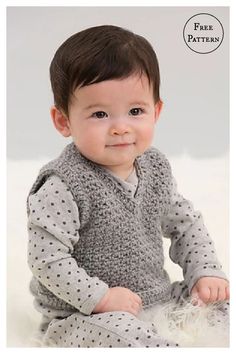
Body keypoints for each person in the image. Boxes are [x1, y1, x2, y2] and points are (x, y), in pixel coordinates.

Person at [27, 25, 229, 348]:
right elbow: (47, 259)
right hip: (83, 316)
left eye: (136, 111)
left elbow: (186, 225)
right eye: (100, 114)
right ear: (63, 121)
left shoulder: (156, 168)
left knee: (219, 305)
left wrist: (205, 271)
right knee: (122, 334)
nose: (121, 128)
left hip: (154, 298)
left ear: (156, 111)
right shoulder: (62, 184)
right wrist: (101, 297)